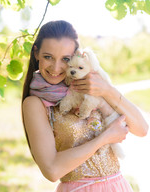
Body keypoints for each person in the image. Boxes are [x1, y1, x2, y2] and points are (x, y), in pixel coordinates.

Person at [22, 20, 148, 192]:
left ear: (75, 57)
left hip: (117, 186)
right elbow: (51, 170)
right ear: (36, 53)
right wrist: (104, 138)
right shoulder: (35, 104)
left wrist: (107, 90)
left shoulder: (86, 84)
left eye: (65, 59)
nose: (56, 67)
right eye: (48, 57)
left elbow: (141, 129)